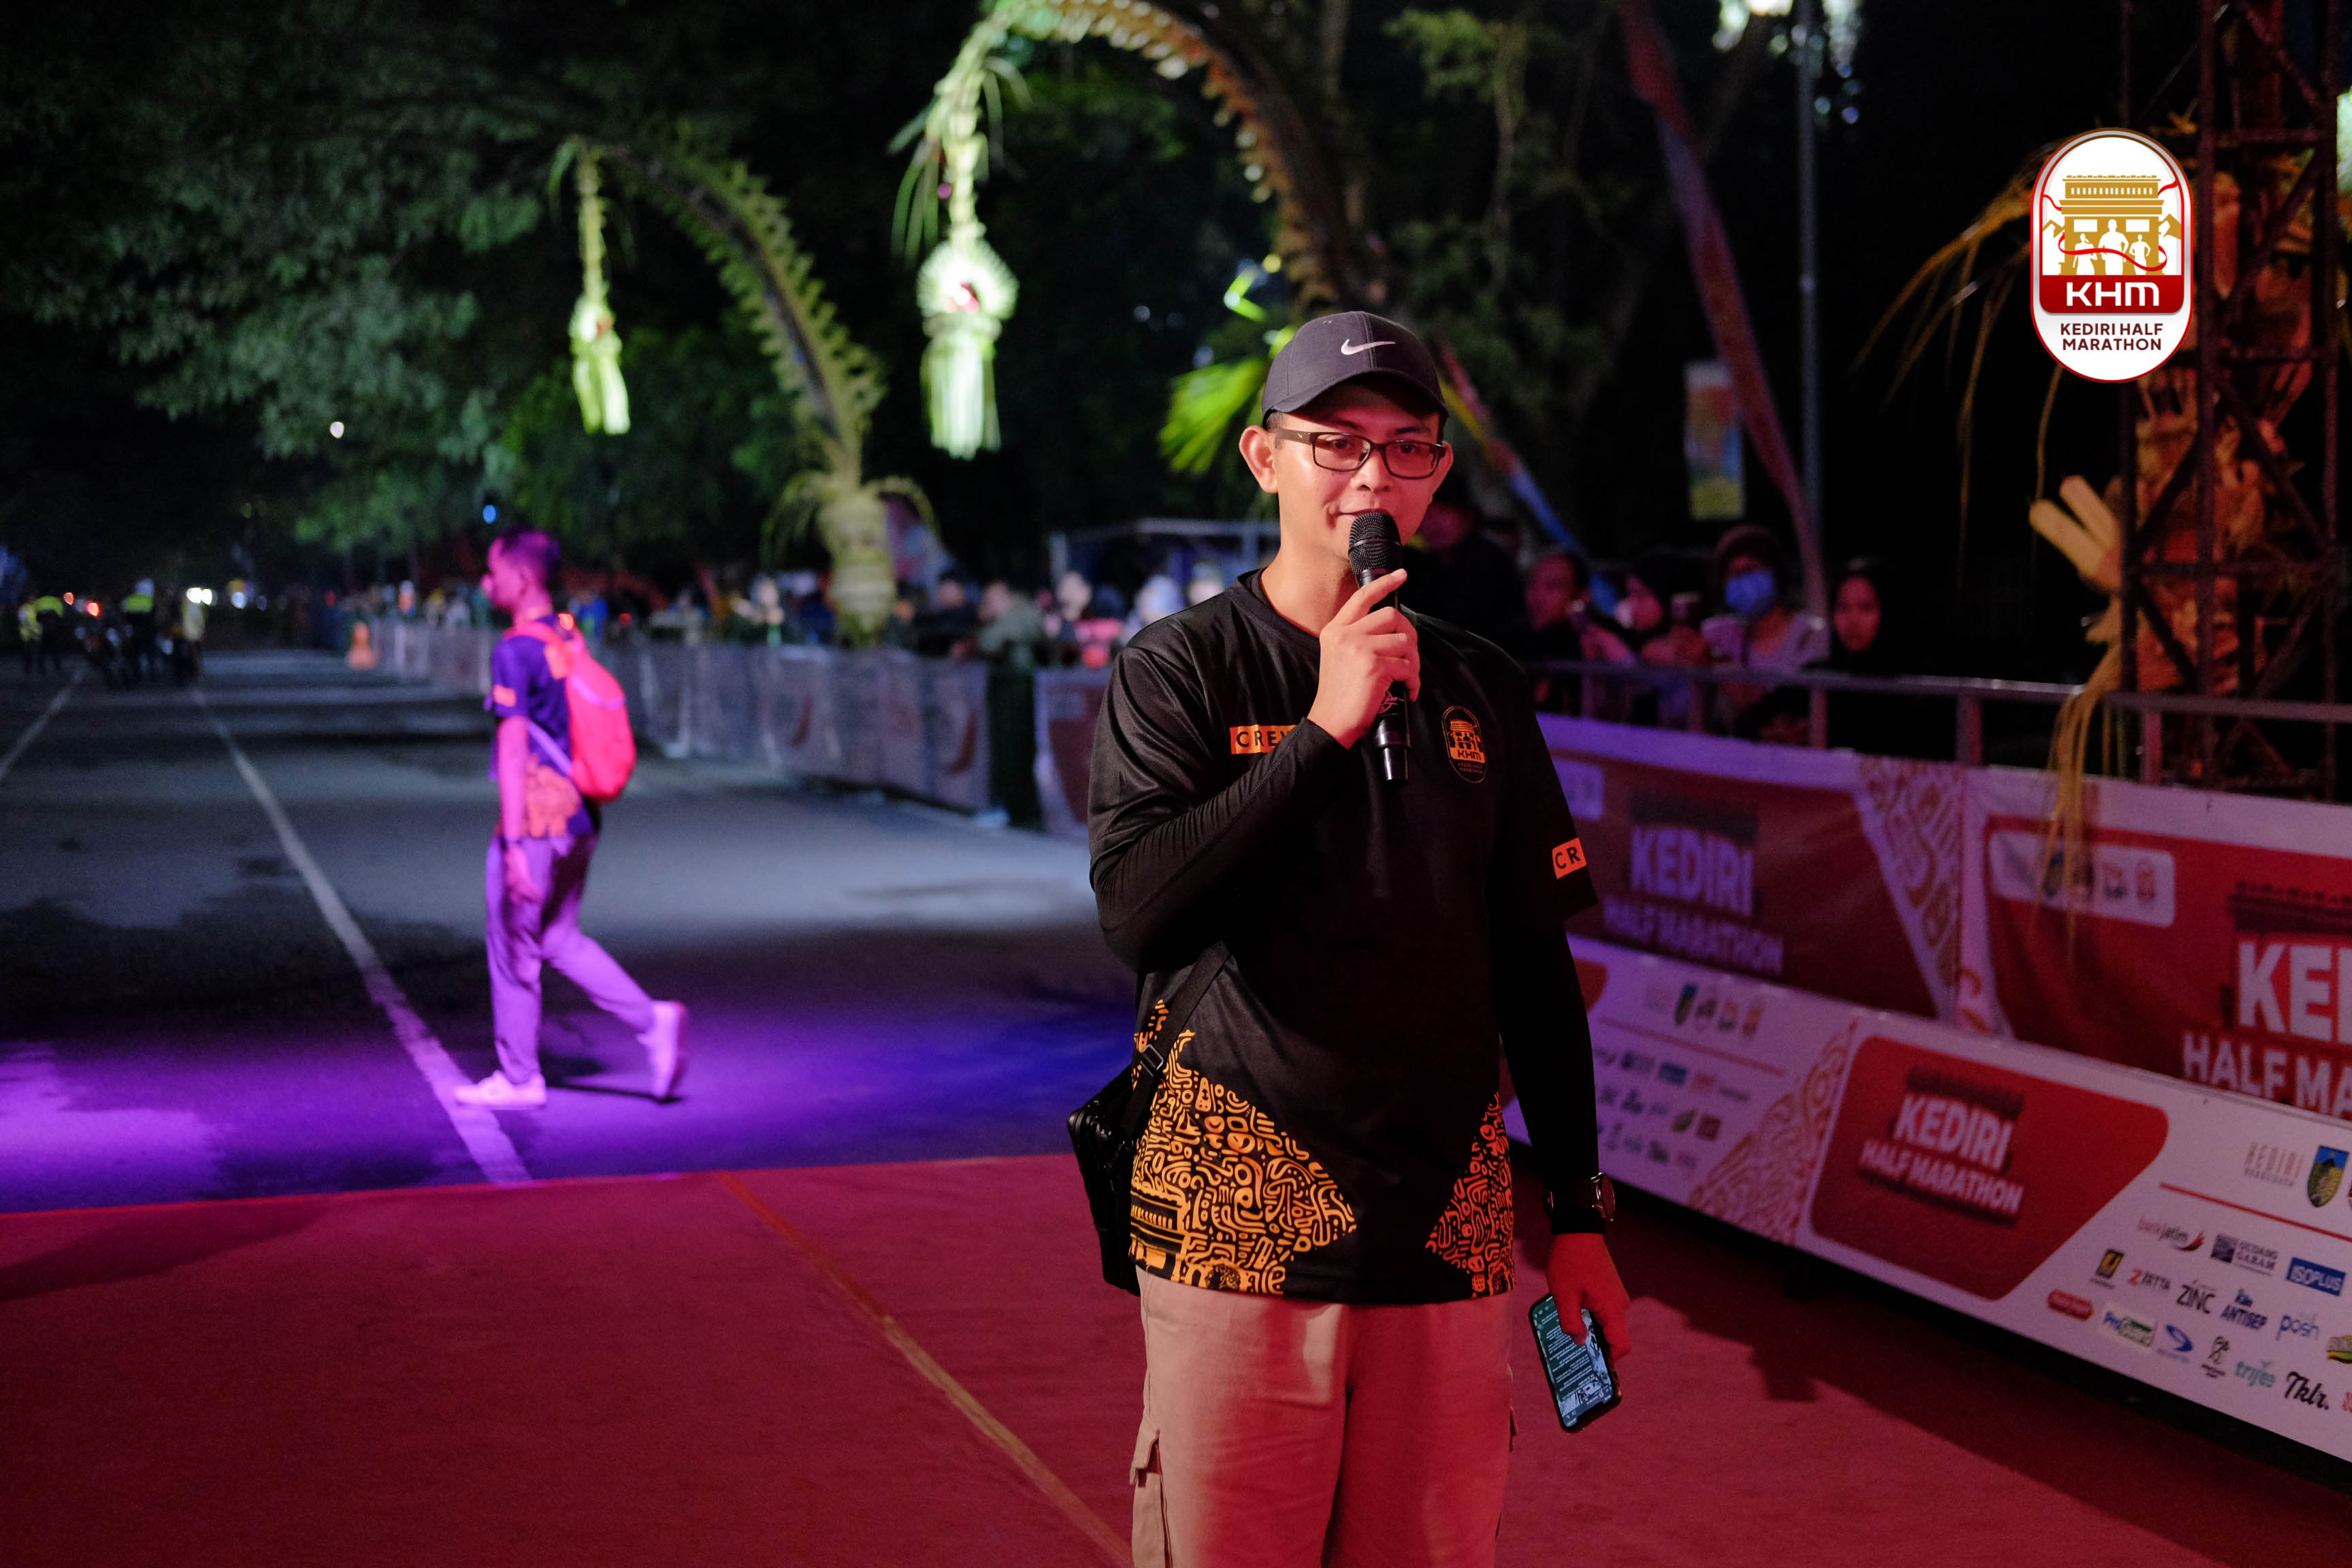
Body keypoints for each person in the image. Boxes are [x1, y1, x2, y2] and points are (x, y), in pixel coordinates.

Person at [1090, 311, 1629, 1568]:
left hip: (1446, 1223)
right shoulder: (1179, 671)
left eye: (1407, 447)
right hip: (1238, 1224)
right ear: (1264, 457)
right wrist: (1325, 729)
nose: (1372, 478)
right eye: (1336, 443)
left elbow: (1534, 968)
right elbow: (1139, 912)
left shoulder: (1482, 684)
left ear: (1439, 471)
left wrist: (1580, 1209)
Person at [453, 527, 687, 1110]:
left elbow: (513, 749)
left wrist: (512, 845)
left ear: (521, 577)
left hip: (537, 820)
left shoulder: (514, 650)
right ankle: (653, 1022)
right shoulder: (566, 636)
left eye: (494, 573)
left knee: (513, 945)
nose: (487, 583)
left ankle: (519, 1076)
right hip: (582, 814)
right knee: (559, 938)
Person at [1701, 523, 1828, 736]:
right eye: (1734, 573)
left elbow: (1788, 715)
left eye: (1751, 569)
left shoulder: (1810, 635)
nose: (1743, 581)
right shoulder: (1723, 633)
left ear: (1776, 572)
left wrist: (1716, 663)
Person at [1398, 490, 1525, 648]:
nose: (1433, 524)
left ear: (1466, 516)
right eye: (1427, 514)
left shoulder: (1490, 562)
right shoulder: (1420, 564)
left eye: (1443, 512)